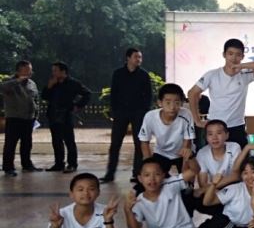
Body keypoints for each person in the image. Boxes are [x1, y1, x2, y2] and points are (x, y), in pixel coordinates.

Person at [188, 38, 254, 150]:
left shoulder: (245, 74)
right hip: (215, 126)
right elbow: (192, 93)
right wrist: (197, 120)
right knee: (212, 158)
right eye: (230, 54)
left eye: (238, 55)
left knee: (240, 158)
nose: (234, 58)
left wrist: (241, 66)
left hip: (237, 126)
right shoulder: (212, 75)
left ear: (242, 57)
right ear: (224, 55)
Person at [101, 48, 152, 183]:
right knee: (115, 143)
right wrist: (114, 110)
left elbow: (148, 95)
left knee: (139, 143)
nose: (139, 60)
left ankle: (137, 173)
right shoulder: (118, 74)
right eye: (136, 57)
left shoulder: (144, 75)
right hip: (121, 113)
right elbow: (114, 93)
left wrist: (144, 111)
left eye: (140, 57)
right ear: (128, 58)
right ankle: (110, 173)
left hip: (138, 113)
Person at [41, 61, 91, 174]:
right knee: (56, 140)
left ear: (63, 71)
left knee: (69, 140)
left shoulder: (73, 83)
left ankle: (72, 164)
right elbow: (44, 96)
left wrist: (78, 105)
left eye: (55, 70)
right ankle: (59, 163)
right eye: (52, 71)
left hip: (66, 114)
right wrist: (49, 86)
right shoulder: (53, 83)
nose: (53, 73)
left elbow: (87, 93)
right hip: (53, 114)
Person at [138, 83, 195, 176]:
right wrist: (149, 165)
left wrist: (184, 171)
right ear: (160, 103)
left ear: (181, 103)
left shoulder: (186, 115)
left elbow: (187, 143)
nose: (172, 107)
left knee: (187, 181)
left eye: (177, 102)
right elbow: (144, 142)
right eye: (168, 102)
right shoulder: (150, 116)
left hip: (182, 152)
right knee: (155, 180)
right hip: (161, 152)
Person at [1, 60, 40, 176]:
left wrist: (35, 115)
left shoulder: (32, 83)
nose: (30, 72)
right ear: (18, 71)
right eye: (27, 70)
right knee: (10, 144)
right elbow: (2, 88)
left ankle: (27, 165)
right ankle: (8, 167)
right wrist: (18, 80)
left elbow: (35, 99)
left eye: (30, 70)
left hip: (28, 118)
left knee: (27, 143)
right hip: (14, 118)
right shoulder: (9, 81)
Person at [195, 119, 242, 191]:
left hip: (233, 188)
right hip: (213, 191)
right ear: (206, 137)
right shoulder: (202, 153)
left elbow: (236, 176)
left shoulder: (234, 147)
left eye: (219, 133)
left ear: (227, 135)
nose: (214, 137)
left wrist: (214, 185)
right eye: (210, 134)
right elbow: (203, 183)